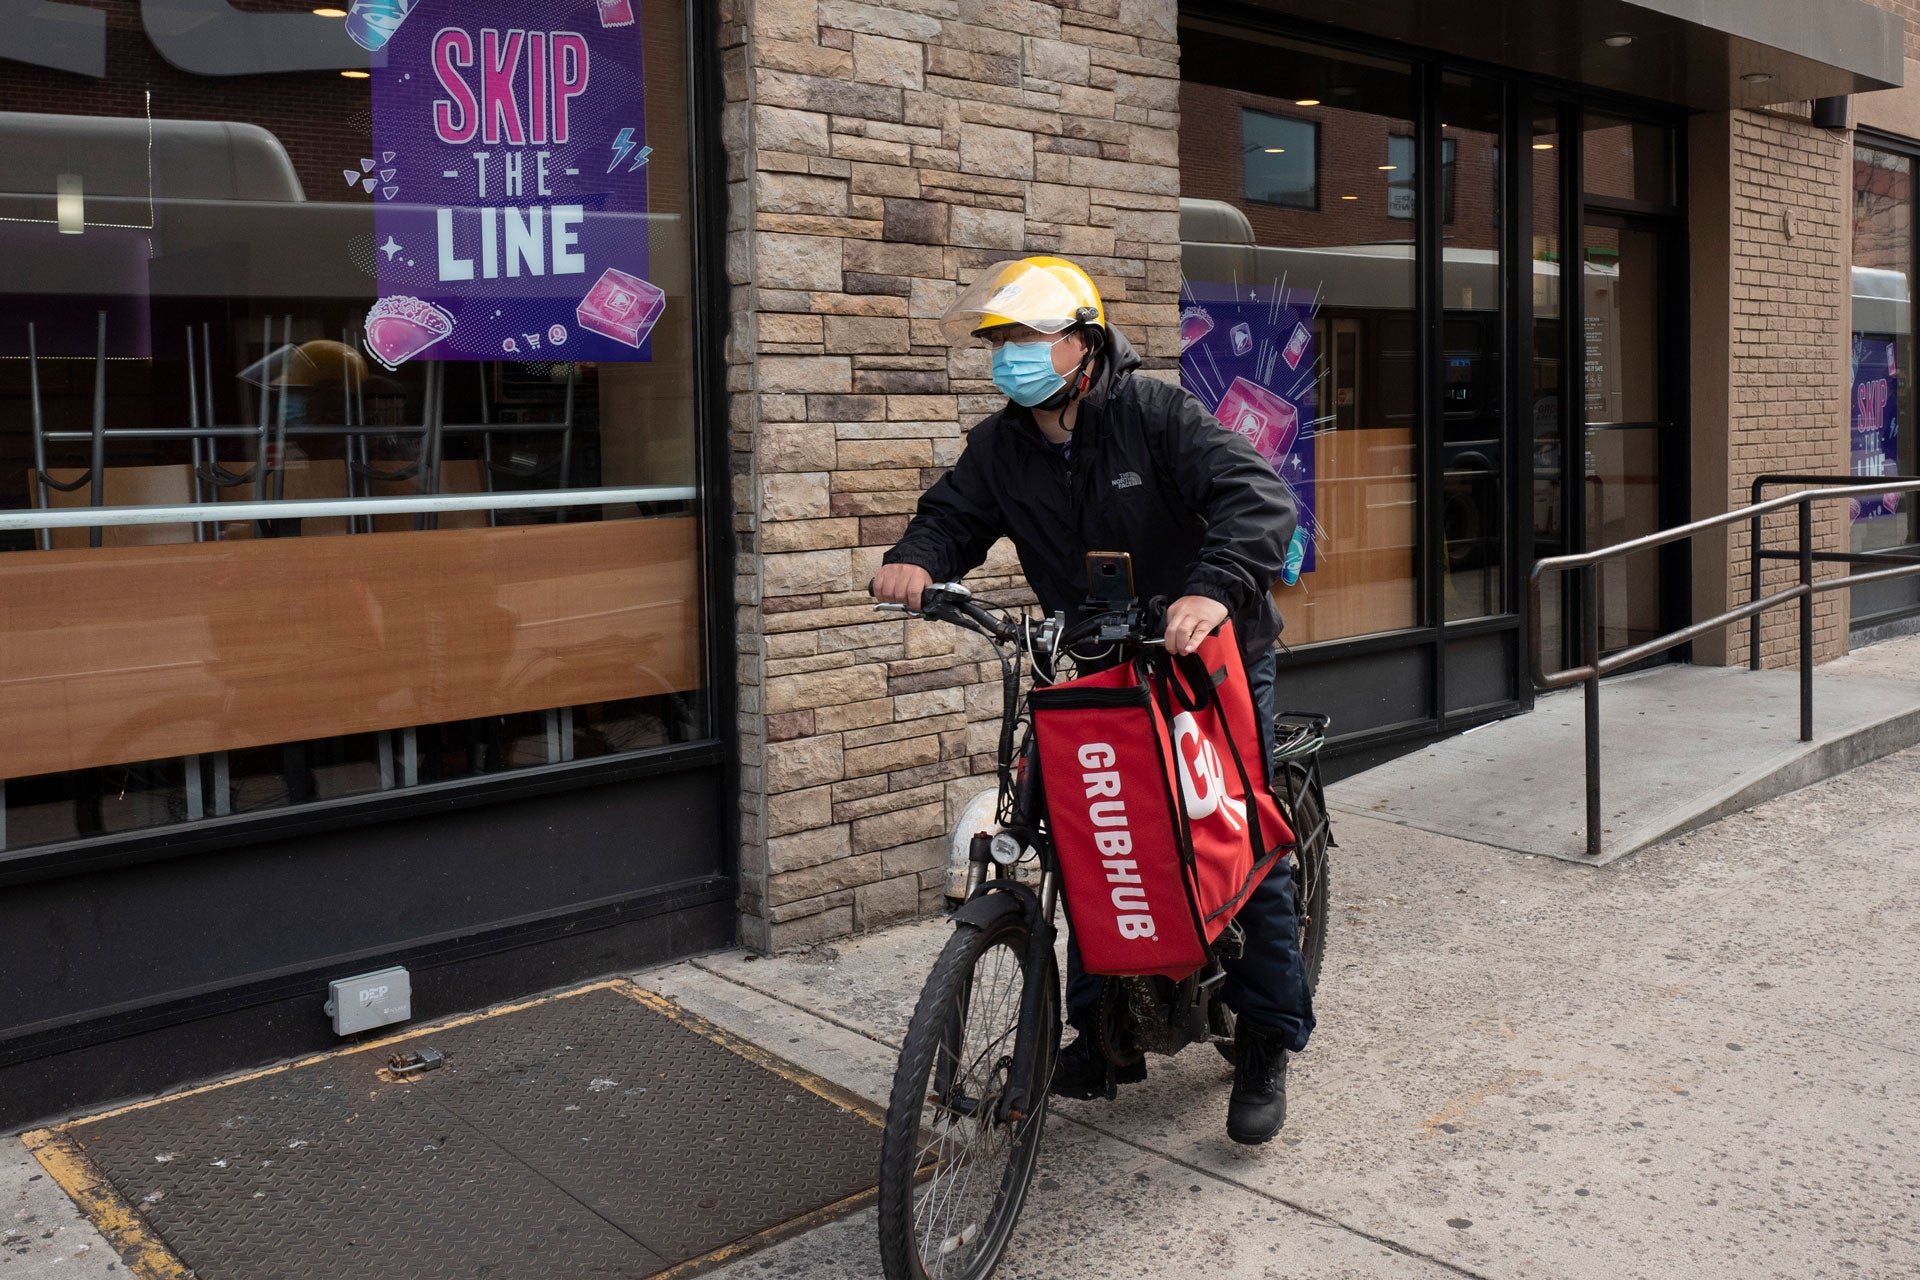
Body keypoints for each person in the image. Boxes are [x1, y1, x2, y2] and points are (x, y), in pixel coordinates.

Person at [870, 256, 1314, 1145]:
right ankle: (1098, 1035)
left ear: (1085, 343)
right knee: (1087, 832)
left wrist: (1212, 588)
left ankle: (1266, 1038)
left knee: (1232, 834)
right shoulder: (1002, 444)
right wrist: (919, 556)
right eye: (1002, 342)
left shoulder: (1153, 415)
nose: (1011, 357)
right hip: (1095, 658)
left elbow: (1256, 499)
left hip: (1208, 652)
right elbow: (954, 515)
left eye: (1029, 338)